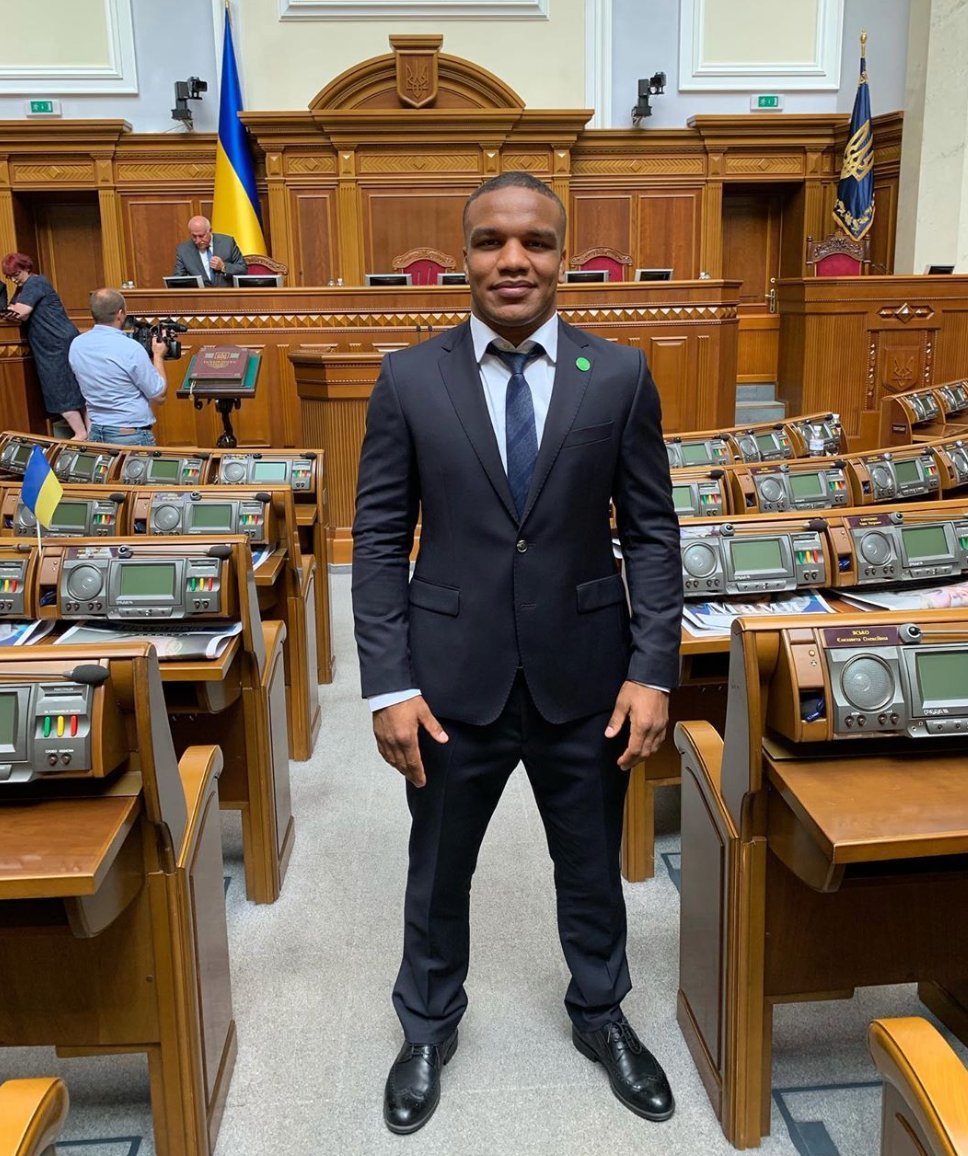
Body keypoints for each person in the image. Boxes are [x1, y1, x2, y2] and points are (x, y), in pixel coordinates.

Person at [352, 172, 683, 1136]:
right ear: (463, 257)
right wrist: (389, 684)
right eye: (491, 241)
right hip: (450, 681)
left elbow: (652, 533)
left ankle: (600, 1011)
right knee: (437, 870)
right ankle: (426, 1026)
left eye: (534, 242)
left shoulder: (617, 374)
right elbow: (378, 541)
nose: (513, 260)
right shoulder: (409, 379)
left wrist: (652, 667)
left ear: (561, 257)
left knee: (590, 864)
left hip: (589, 676)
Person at [1, 253, 88, 439]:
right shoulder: (23, 288)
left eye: (16, 274)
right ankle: (88, 433)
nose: (14, 280)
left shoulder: (35, 283)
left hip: (56, 342)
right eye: (10, 277)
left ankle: (81, 434)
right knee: (72, 387)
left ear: (26, 268)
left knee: (60, 389)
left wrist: (9, 310)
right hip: (52, 343)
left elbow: (21, 312)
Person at [68, 288, 167, 445]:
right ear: (120, 314)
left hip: (96, 431)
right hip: (130, 435)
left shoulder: (77, 344)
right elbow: (159, 395)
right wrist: (158, 356)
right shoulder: (130, 348)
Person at [172, 216, 246, 287]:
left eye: (201, 236)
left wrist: (223, 267)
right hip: (199, 294)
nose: (197, 241)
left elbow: (243, 269)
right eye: (194, 236)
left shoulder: (227, 243)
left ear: (210, 231)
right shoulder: (183, 250)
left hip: (226, 293)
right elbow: (178, 279)